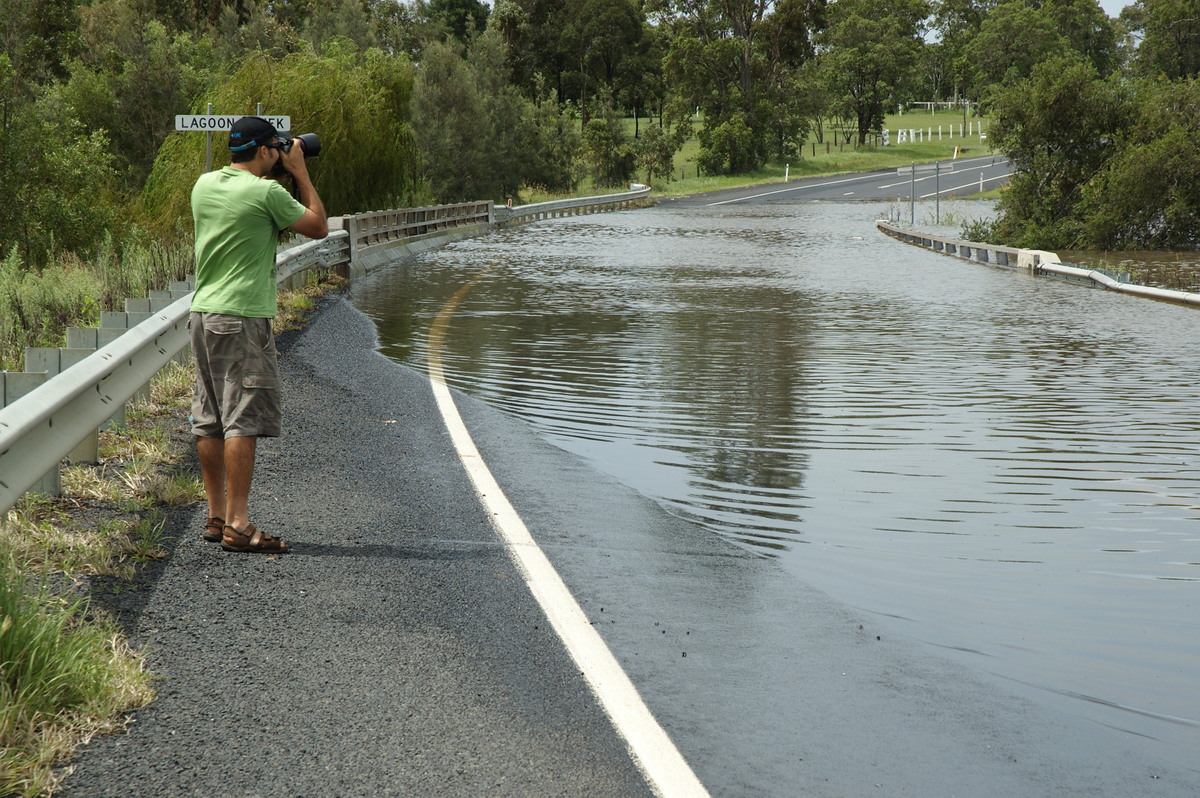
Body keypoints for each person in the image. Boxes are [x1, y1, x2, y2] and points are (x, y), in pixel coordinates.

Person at [190, 116, 328, 553]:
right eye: (278, 147)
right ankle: (240, 524)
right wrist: (301, 173)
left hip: (203, 314)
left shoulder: (204, 185)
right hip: (243, 319)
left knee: (210, 419)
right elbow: (318, 226)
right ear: (266, 150)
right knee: (242, 420)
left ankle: (216, 517)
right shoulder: (267, 192)